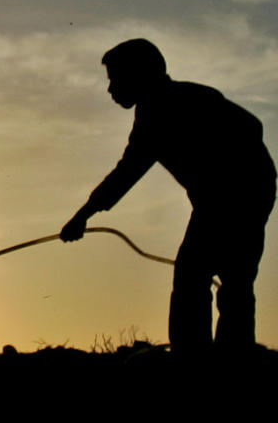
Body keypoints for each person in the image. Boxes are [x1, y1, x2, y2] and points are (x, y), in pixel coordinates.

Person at [60, 39, 276, 355]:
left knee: (203, 273)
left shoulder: (165, 109)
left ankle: (198, 355)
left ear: (140, 75)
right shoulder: (169, 104)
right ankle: (224, 354)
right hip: (238, 192)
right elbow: (251, 124)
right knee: (225, 276)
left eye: (115, 80)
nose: (110, 90)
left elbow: (127, 171)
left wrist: (82, 216)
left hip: (237, 193)